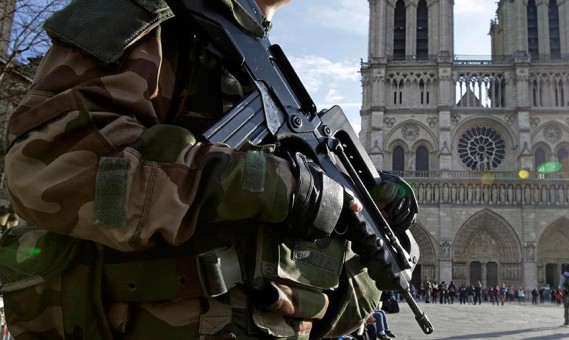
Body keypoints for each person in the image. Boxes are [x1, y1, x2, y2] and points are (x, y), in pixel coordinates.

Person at [0, 0, 420, 339]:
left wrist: (368, 234)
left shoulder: (266, 70)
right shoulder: (146, 17)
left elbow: (308, 299)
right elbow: (50, 166)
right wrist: (269, 184)